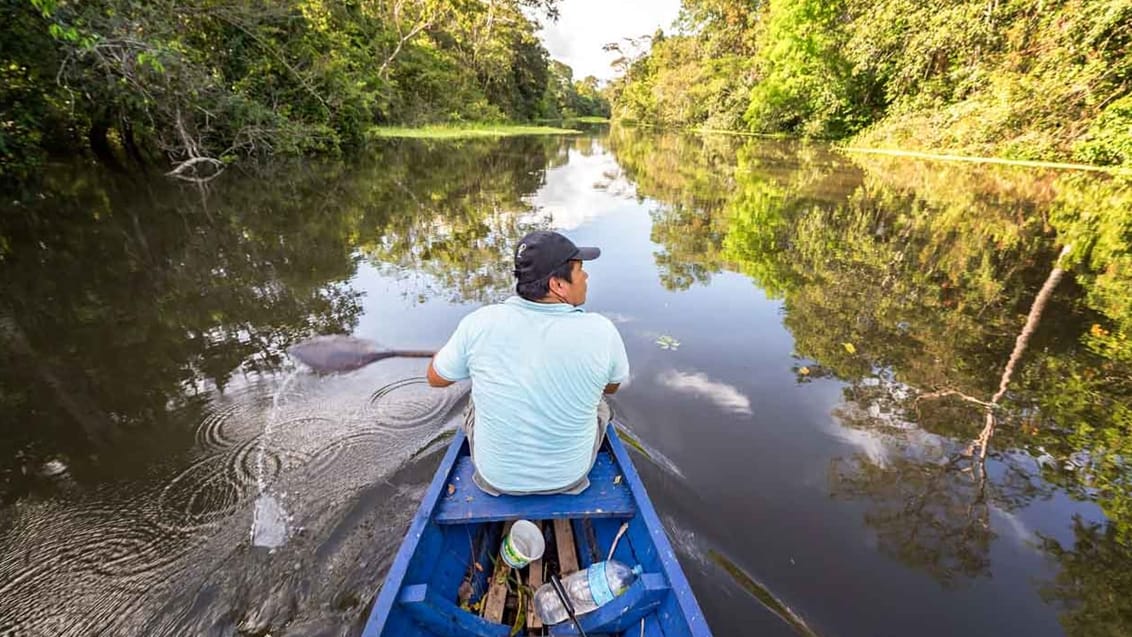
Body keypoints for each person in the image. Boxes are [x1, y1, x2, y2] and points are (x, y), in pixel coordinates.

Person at [426, 230, 630, 496]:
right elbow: (611, 388)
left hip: (496, 479)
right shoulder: (602, 331)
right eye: (580, 270)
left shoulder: (479, 323)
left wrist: (443, 356)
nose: (586, 277)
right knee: (600, 406)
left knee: (475, 399)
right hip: (569, 477)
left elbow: (435, 378)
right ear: (558, 285)